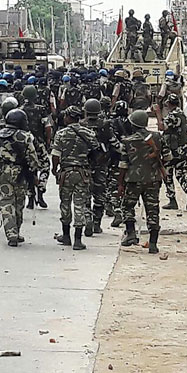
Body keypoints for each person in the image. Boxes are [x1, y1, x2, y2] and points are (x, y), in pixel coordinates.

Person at [118, 110, 170, 253]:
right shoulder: (157, 137)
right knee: (153, 210)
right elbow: (168, 157)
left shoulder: (127, 142)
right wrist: (157, 164)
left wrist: (120, 184)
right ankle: (153, 243)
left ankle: (131, 234)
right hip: (153, 179)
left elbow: (123, 165)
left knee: (127, 206)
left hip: (133, 180)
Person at [51, 106, 100, 251]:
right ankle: (78, 240)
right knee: (80, 204)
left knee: (65, 203)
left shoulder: (61, 134)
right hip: (82, 173)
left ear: (69, 117)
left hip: (66, 173)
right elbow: (97, 153)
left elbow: (55, 154)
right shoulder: (89, 133)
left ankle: (66, 236)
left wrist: (55, 169)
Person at [0, 109, 39, 247]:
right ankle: (16, 229)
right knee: (19, 202)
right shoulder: (25, 136)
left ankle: (11, 233)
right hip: (20, 173)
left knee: (6, 202)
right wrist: (34, 172)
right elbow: (32, 157)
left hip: (4, 172)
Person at [81, 98, 120, 235]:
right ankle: (97, 223)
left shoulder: (81, 125)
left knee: (85, 193)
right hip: (101, 164)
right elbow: (115, 144)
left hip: (84, 165)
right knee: (100, 194)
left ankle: (87, 217)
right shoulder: (105, 125)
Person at [154, 94, 187, 211]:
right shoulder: (182, 114)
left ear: (168, 103)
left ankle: (172, 200)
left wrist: (158, 113)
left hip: (171, 151)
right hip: (183, 149)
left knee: (167, 175)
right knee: (181, 175)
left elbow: (161, 127)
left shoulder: (172, 116)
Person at [21, 85, 52, 209]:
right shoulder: (41, 109)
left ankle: (30, 198)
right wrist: (48, 141)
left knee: (29, 169)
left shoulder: (20, 110)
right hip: (38, 143)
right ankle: (41, 189)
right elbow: (47, 127)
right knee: (45, 167)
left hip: (25, 144)